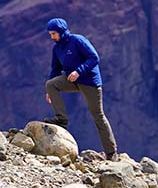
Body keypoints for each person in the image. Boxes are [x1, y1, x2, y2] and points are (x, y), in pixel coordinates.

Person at [43, 17, 118, 159]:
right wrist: (49, 92)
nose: (52, 37)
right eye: (50, 34)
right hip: (72, 80)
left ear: (61, 31)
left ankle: (111, 152)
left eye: (53, 33)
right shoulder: (57, 48)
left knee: (98, 116)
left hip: (89, 81)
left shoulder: (77, 40)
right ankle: (61, 119)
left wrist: (79, 71)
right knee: (51, 84)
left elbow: (94, 58)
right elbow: (55, 69)